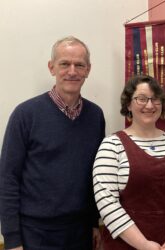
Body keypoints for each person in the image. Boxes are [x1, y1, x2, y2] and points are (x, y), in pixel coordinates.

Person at [0, 36, 105, 250]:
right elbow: (7, 178)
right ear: (51, 67)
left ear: (88, 70)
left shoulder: (95, 116)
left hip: (80, 233)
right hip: (35, 234)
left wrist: (94, 222)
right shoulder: (25, 114)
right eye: (65, 64)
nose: (72, 71)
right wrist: (12, 239)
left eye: (79, 65)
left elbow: (96, 173)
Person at [93, 75, 165, 250]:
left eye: (155, 99)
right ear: (128, 104)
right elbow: (107, 203)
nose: (149, 105)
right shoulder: (111, 146)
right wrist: (143, 245)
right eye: (141, 99)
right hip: (127, 246)